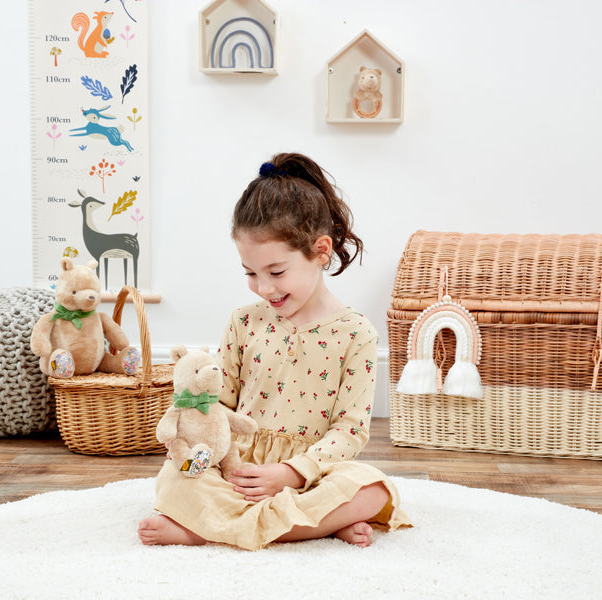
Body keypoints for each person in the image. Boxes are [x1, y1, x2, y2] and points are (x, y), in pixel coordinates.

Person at [138, 152, 411, 550]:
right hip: (238, 470)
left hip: (311, 472)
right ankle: (316, 526)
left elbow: (350, 430)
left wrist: (292, 472)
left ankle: (206, 529)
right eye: (250, 273)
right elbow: (218, 403)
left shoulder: (356, 334)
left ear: (321, 251)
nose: (264, 288)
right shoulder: (244, 321)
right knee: (173, 480)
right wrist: (192, 437)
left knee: (372, 489)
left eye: (277, 272)